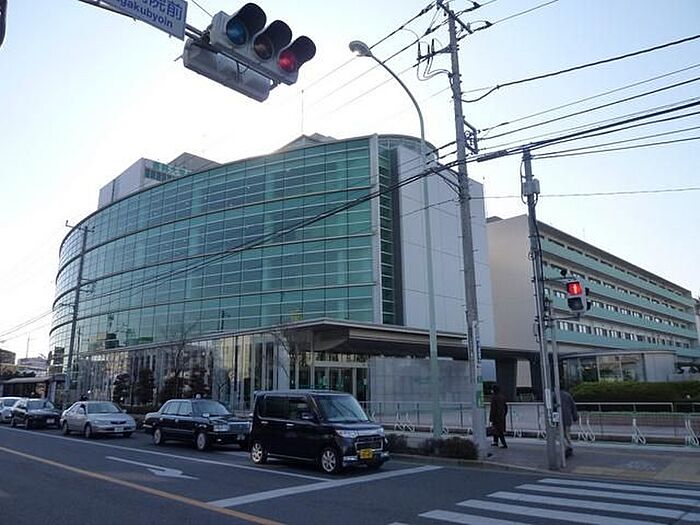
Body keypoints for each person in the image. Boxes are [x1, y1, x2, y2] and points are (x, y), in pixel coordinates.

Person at [560, 389, 578, 457]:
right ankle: (569, 447)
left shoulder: (554, 395)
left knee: (559, 434)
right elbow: (573, 406)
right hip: (568, 417)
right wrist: (575, 417)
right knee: (567, 434)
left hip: (559, 418)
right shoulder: (567, 395)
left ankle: (567, 446)